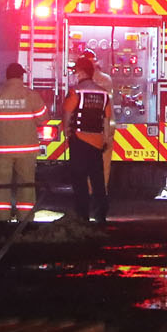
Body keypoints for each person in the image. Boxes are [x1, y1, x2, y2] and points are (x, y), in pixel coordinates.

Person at [0, 62, 46, 224]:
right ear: (21, 76)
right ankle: (25, 220)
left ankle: (1, 219)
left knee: (1, 185)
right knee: (26, 185)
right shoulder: (31, 95)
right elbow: (43, 119)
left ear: (7, 76)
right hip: (26, 150)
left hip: (2, 150)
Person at [58, 51, 111, 224]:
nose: (74, 75)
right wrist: (104, 139)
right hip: (96, 142)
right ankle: (101, 215)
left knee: (79, 179)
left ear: (81, 73)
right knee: (97, 180)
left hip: (79, 141)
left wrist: (66, 132)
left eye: (76, 72)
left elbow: (67, 113)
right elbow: (106, 119)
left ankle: (82, 216)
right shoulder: (103, 94)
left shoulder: (76, 92)